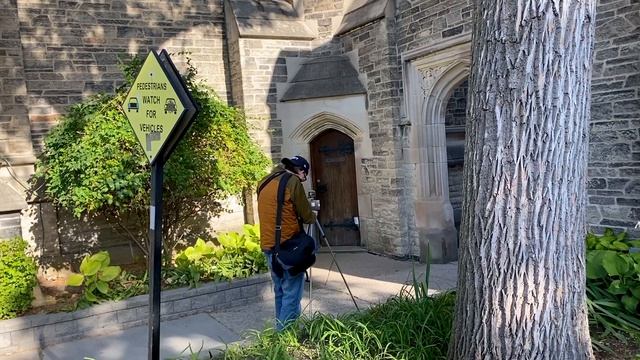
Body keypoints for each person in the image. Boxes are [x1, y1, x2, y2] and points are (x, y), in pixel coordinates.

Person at [257, 155, 316, 331]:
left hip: (269, 245)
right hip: (288, 247)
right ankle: (285, 336)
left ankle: (280, 328)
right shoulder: (293, 181)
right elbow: (306, 215)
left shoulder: (264, 181)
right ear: (302, 172)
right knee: (292, 292)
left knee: (280, 290)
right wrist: (314, 214)